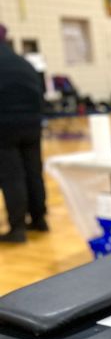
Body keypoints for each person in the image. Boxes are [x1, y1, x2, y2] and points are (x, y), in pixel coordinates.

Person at [0, 24, 48, 243]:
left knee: (12, 177)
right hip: (32, 124)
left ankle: (17, 228)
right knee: (33, 172)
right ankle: (39, 219)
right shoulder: (23, 63)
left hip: (5, 127)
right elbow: (41, 92)